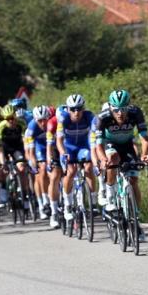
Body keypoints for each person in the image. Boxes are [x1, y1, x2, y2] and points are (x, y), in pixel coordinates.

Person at [95, 89, 148, 219]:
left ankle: (136, 216)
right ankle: (110, 195)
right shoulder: (103, 117)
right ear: (110, 107)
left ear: (128, 106)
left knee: (134, 180)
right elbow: (99, 145)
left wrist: (145, 154)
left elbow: (144, 138)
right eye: (116, 110)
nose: (120, 113)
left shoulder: (135, 112)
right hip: (110, 144)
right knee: (112, 158)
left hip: (127, 145)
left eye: (124, 109)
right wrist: (103, 159)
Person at [55, 94, 97, 223]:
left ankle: (93, 202)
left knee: (89, 167)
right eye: (72, 109)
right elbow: (59, 141)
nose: (76, 112)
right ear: (68, 109)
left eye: (79, 108)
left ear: (83, 108)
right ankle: (67, 205)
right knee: (71, 171)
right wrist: (63, 153)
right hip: (69, 149)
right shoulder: (63, 119)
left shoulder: (90, 117)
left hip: (83, 147)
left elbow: (95, 137)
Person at [25, 105, 53, 219]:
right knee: (41, 171)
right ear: (35, 120)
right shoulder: (31, 127)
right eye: (39, 121)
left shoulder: (52, 124)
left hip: (50, 146)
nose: (43, 123)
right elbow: (30, 152)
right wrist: (33, 163)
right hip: (37, 147)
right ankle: (43, 202)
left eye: (44, 120)